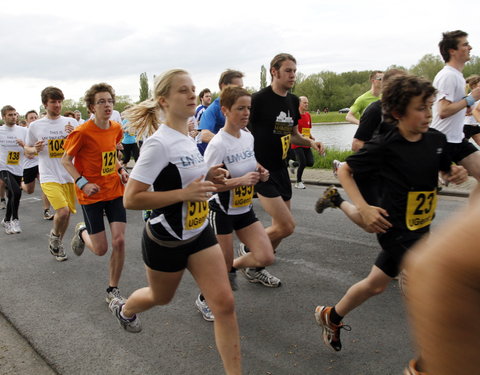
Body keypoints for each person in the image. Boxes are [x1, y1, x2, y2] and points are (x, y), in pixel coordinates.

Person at [313, 75, 467, 375]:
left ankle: (332, 316)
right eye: (420, 108)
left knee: (376, 284)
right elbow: (345, 170)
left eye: (429, 107)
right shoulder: (385, 144)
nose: (427, 114)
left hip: (421, 228)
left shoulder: (434, 140)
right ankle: (424, 366)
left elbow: (446, 168)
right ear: (398, 114)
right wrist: (364, 207)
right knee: (430, 296)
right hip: (395, 232)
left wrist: (454, 173)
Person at [108, 69, 241, 375]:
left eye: (193, 88)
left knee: (224, 305)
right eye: (183, 90)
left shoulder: (187, 137)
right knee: (160, 297)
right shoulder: (158, 144)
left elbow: (186, 178)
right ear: (164, 100)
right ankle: (125, 308)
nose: (192, 94)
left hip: (198, 233)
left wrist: (208, 176)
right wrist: (185, 193)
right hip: (166, 239)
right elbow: (132, 199)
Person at [246, 53, 324, 287]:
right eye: (288, 71)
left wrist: (311, 142)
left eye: (294, 71)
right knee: (286, 225)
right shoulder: (258, 99)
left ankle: (256, 266)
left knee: (283, 228)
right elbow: (242, 132)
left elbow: (292, 134)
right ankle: (248, 255)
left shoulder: (291, 102)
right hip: (262, 169)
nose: (293, 75)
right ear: (274, 71)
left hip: (280, 169)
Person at [199, 86, 273, 321]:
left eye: (248, 108)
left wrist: (260, 170)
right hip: (220, 210)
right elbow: (206, 184)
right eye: (240, 108)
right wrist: (240, 180)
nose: (246, 113)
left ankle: (231, 266)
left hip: (243, 209)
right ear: (225, 110)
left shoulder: (248, 136)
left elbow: (249, 161)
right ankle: (204, 298)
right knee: (220, 266)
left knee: (265, 256)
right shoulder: (218, 144)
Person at [62, 83, 129, 304]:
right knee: (101, 249)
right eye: (101, 101)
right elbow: (65, 161)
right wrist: (82, 182)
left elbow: (111, 155)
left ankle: (113, 289)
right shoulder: (81, 132)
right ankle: (82, 231)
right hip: (91, 195)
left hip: (114, 191)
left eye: (109, 100)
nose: (107, 105)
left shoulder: (116, 128)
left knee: (119, 241)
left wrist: (120, 170)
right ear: (92, 107)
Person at [404, 205, 480, 375]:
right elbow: (439, 266)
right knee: (377, 285)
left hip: (416, 229)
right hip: (394, 225)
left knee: (376, 285)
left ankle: (332, 316)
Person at [25, 87, 78, 261]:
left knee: (67, 214)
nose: (57, 105)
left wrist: (73, 137)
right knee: (62, 212)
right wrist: (35, 148)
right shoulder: (35, 125)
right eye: (53, 102)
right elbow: (27, 151)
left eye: (59, 102)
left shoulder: (71, 123)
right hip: (48, 175)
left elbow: (81, 148)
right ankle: (55, 235)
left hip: (68, 175)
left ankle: (58, 243)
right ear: (45, 104)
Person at [430, 30, 480, 203]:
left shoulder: (457, 75)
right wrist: (472, 98)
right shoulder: (448, 75)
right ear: (452, 51)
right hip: (441, 140)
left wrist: (465, 106)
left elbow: (453, 107)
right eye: (465, 44)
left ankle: (473, 221)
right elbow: (443, 111)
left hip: (456, 140)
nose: (470, 47)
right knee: (424, 189)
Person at [197, 69, 244, 154]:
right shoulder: (213, 109)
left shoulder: (243, 106)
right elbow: (203, 135)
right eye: (237, 88)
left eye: (242, 88)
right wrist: (230, 145)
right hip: (222, 159)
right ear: (223, 86)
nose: (241, 91)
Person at [22, 110, 55, 220]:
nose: (34, 119)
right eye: (31, 118)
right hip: (29, 165)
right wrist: (32, 150)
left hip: (41, 164)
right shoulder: (25, 132)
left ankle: (46, 210)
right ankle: (20, 182)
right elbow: (26, 152)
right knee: (29, 190)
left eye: (35, 117)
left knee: (45, 186)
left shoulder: (43, 131)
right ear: (26, 121)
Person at [0, 105, 27, 234]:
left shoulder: (23, 130)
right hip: (3, 167)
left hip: (18, 167)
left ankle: (6, 220)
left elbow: (29, 147)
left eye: (15, 114)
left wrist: (24, 145)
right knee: (16, 192)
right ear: (3, 117)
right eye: (10, 115)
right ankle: (14, 219)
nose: (13, 117)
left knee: (12, 195)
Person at [291, 96, 315, 189]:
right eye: (304, 103)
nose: (306, 104)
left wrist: (311, 136)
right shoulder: (295, 115)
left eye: (307, 103)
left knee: (310, 162)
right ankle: (298, 181)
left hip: (306, 142)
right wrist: (303, 137)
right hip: (297, 142)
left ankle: (293, 164)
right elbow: (294, 132)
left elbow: (307, 129)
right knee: (303, 162)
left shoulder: (308, 115)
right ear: (299, 104)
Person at [463, 74, 480, 146]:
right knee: (460, 148)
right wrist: (470, 113)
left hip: (474, 126)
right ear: (474, 85)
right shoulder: (470, 96)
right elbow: (463, 111)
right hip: (466, 126)